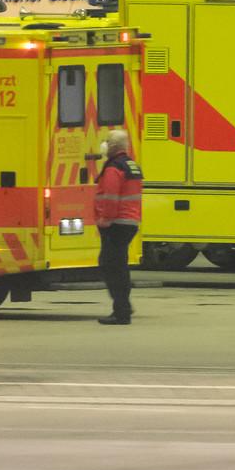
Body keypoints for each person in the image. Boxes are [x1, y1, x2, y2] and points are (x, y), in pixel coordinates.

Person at [92, 128, 144, 324]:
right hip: (129, 222)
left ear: (113, 146)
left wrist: (105, 220)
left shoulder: (114, 168)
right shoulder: (131, 166)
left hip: (116, 223)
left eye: (107, 141)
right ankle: (124, 307)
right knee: (119, 266)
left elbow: (111, 197)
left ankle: (121, 311)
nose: (104, 144)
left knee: (111, 267)